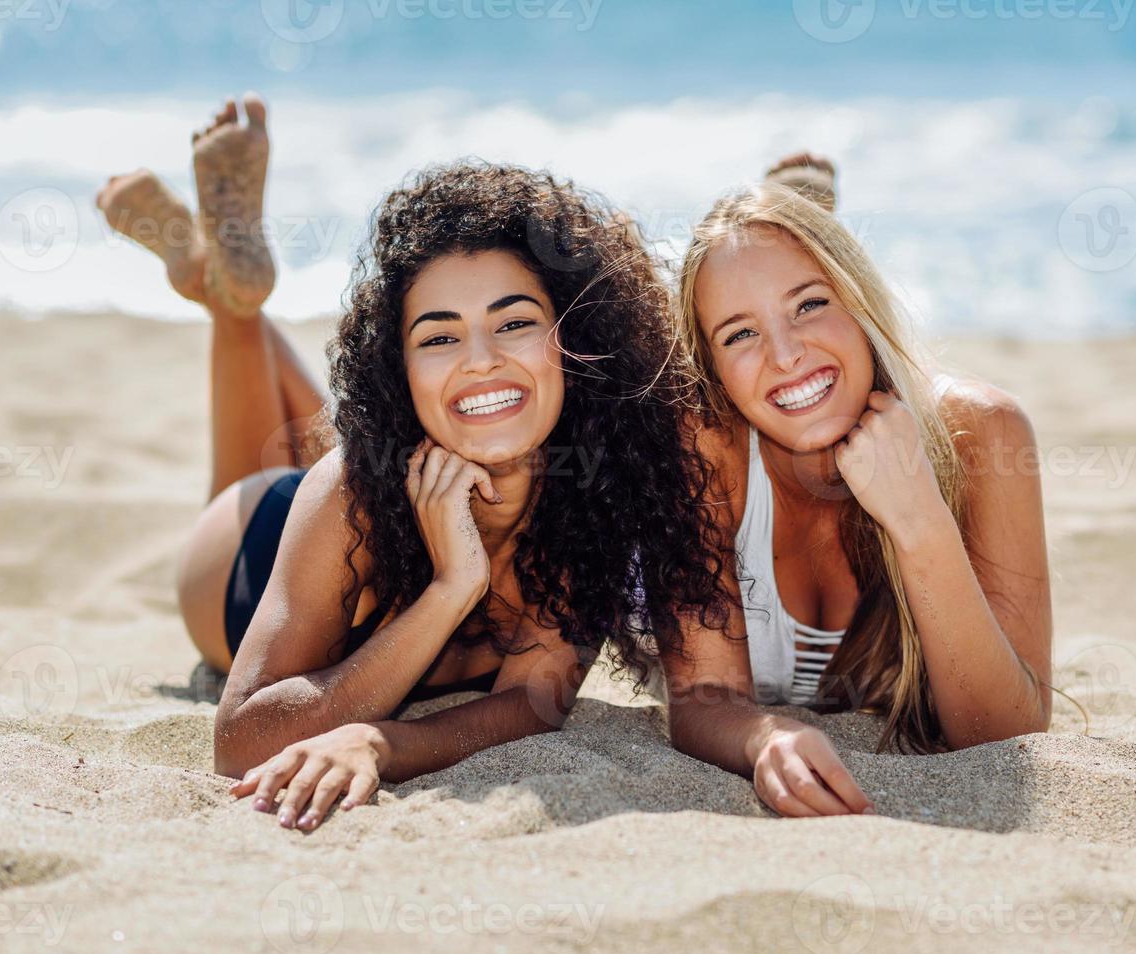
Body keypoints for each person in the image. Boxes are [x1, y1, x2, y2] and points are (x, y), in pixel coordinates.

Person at [95, 96, 729, 831]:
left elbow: (531, 702)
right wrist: (450, 589)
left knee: (434, 411)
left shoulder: (593, 502)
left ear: (577, 339)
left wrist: (382, 741)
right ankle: (233, 301)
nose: (481, 357)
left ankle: (218, 279)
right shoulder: (350, 489)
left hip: (377, 487)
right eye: (437, 337)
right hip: (250, 550)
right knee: (258, 476)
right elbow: (238, 744)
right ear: (397, 368)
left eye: (515, 323)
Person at [662, 165, 1054, 818]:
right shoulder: (705, 446)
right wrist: (766, 736)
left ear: (859, 300)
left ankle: (793, 217)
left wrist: (919, 522)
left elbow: (1004, 734)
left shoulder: (982, 432)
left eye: (810, 303)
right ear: (714, 372)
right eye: (739, 333)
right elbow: (701, 697)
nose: (785, 354)